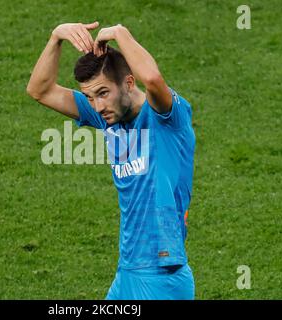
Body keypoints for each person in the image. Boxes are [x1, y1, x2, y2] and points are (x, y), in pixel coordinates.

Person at [26, 21, 196, 300]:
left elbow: (153, 79)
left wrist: (119, 33)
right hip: (127, 271)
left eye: (103, 93)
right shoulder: (107, 118)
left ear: (129, 83)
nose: (97, 106)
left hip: (162, 276)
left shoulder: (167, 118)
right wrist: (56, 36)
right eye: (90, 97)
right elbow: (40, 90)